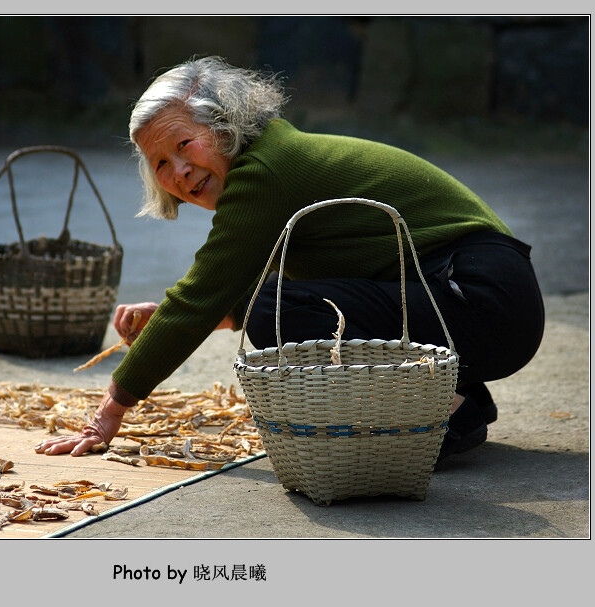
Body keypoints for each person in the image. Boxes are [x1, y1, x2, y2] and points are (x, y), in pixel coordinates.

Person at [35, 56, 545, 463]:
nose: (180, 171)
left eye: (185, 144)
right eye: (161, 163)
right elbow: (231, 295)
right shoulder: (272, 156)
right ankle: (456, 402)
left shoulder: (266, 173)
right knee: (276, 305)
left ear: (224, 126)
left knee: (273, 314)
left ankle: (442, 412)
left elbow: (203, 295)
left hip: (481, 297)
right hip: (484, 300)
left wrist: (110, 411)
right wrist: (174, 319)